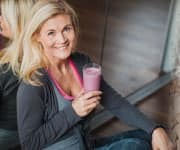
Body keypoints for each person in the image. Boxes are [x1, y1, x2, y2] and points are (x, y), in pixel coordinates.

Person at [16, 0, 173, 149]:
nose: (62, 39)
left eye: (67, 29)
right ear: (37, 36)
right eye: (51, 33)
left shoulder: (81, 63)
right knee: (137, 146)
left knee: (153, 134)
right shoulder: (32, 84)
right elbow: (29, 144)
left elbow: (115, 102)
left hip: (86, 145)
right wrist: (73, 112)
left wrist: (154, 129)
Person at [0, 0, 36, 149]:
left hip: (9, 133)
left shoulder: (6, 67)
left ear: (18, 21)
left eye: (3, 15)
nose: (0, 19)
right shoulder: (42, 52)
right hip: (31, 127)